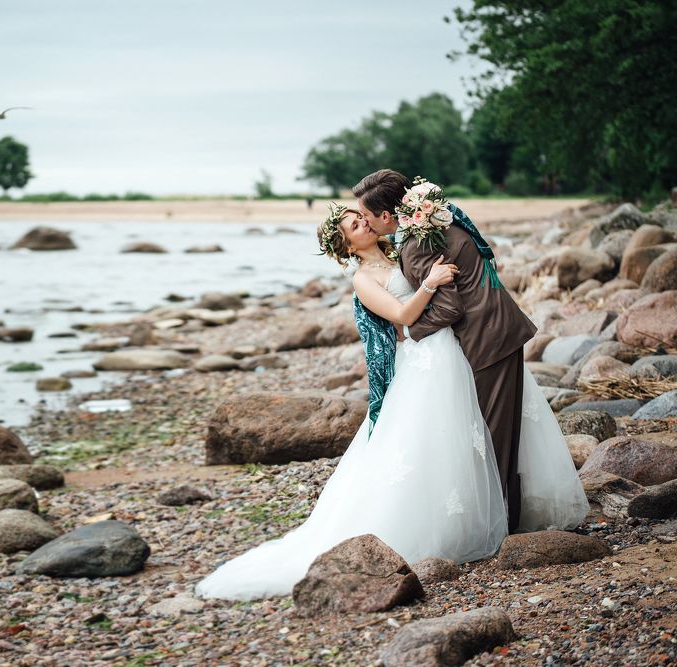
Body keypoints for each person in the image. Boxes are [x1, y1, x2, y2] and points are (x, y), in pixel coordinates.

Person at [194, 198, 588, 602]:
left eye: (360, 217)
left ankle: (498, 507)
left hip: (450, 348)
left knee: (470, 430)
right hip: (422, 358)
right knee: (431, 436)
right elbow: (401, 316)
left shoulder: (401, 250)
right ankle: (451, 526)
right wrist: (431, 283)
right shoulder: (363, 279)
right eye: (353, 225)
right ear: (346, 246)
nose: (362, 223)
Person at [353, 169, 533, 532]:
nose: (367, 224)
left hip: (487, 339)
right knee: (497, 436)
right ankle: (505, 522)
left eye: (368, 217)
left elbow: (449, 308)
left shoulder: (418, 242)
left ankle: (501, 530)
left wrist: (407, 333)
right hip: (495, 331)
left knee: (495, 440)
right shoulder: (432, 224)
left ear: (387, 216)